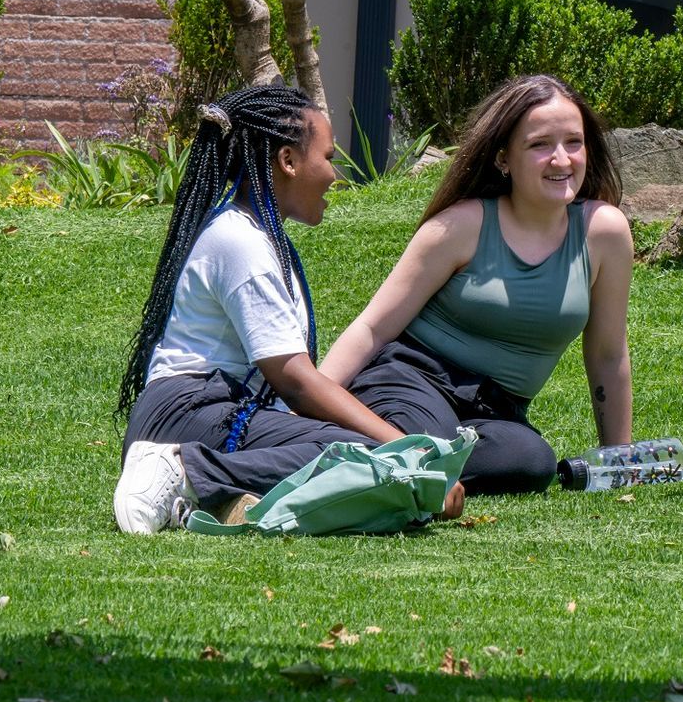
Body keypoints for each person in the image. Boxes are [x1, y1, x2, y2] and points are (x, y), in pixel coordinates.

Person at [113, 85, 465, 533]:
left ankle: (208, 500)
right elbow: (296, 382)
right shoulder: (239, 241)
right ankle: (183, 471)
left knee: (381, 477)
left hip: (221, 414)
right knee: (363, 457)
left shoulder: (259, 236)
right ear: (288, 161)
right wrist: (405, 448)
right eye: (329, 157)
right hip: (190, 413)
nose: (335, 175)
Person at [319, 75, 634, 493]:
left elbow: (608, 355)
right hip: (414, 380)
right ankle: (352, 447)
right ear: (504, 159)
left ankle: (402, 461)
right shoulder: (461, 225)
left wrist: (621, 462)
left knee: (531, 462)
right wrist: (310, 400)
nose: (562, 159)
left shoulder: (603, 232)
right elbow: (373, 328)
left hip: (495, 409)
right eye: (540, 145)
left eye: (573, 142)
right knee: (420, 437)